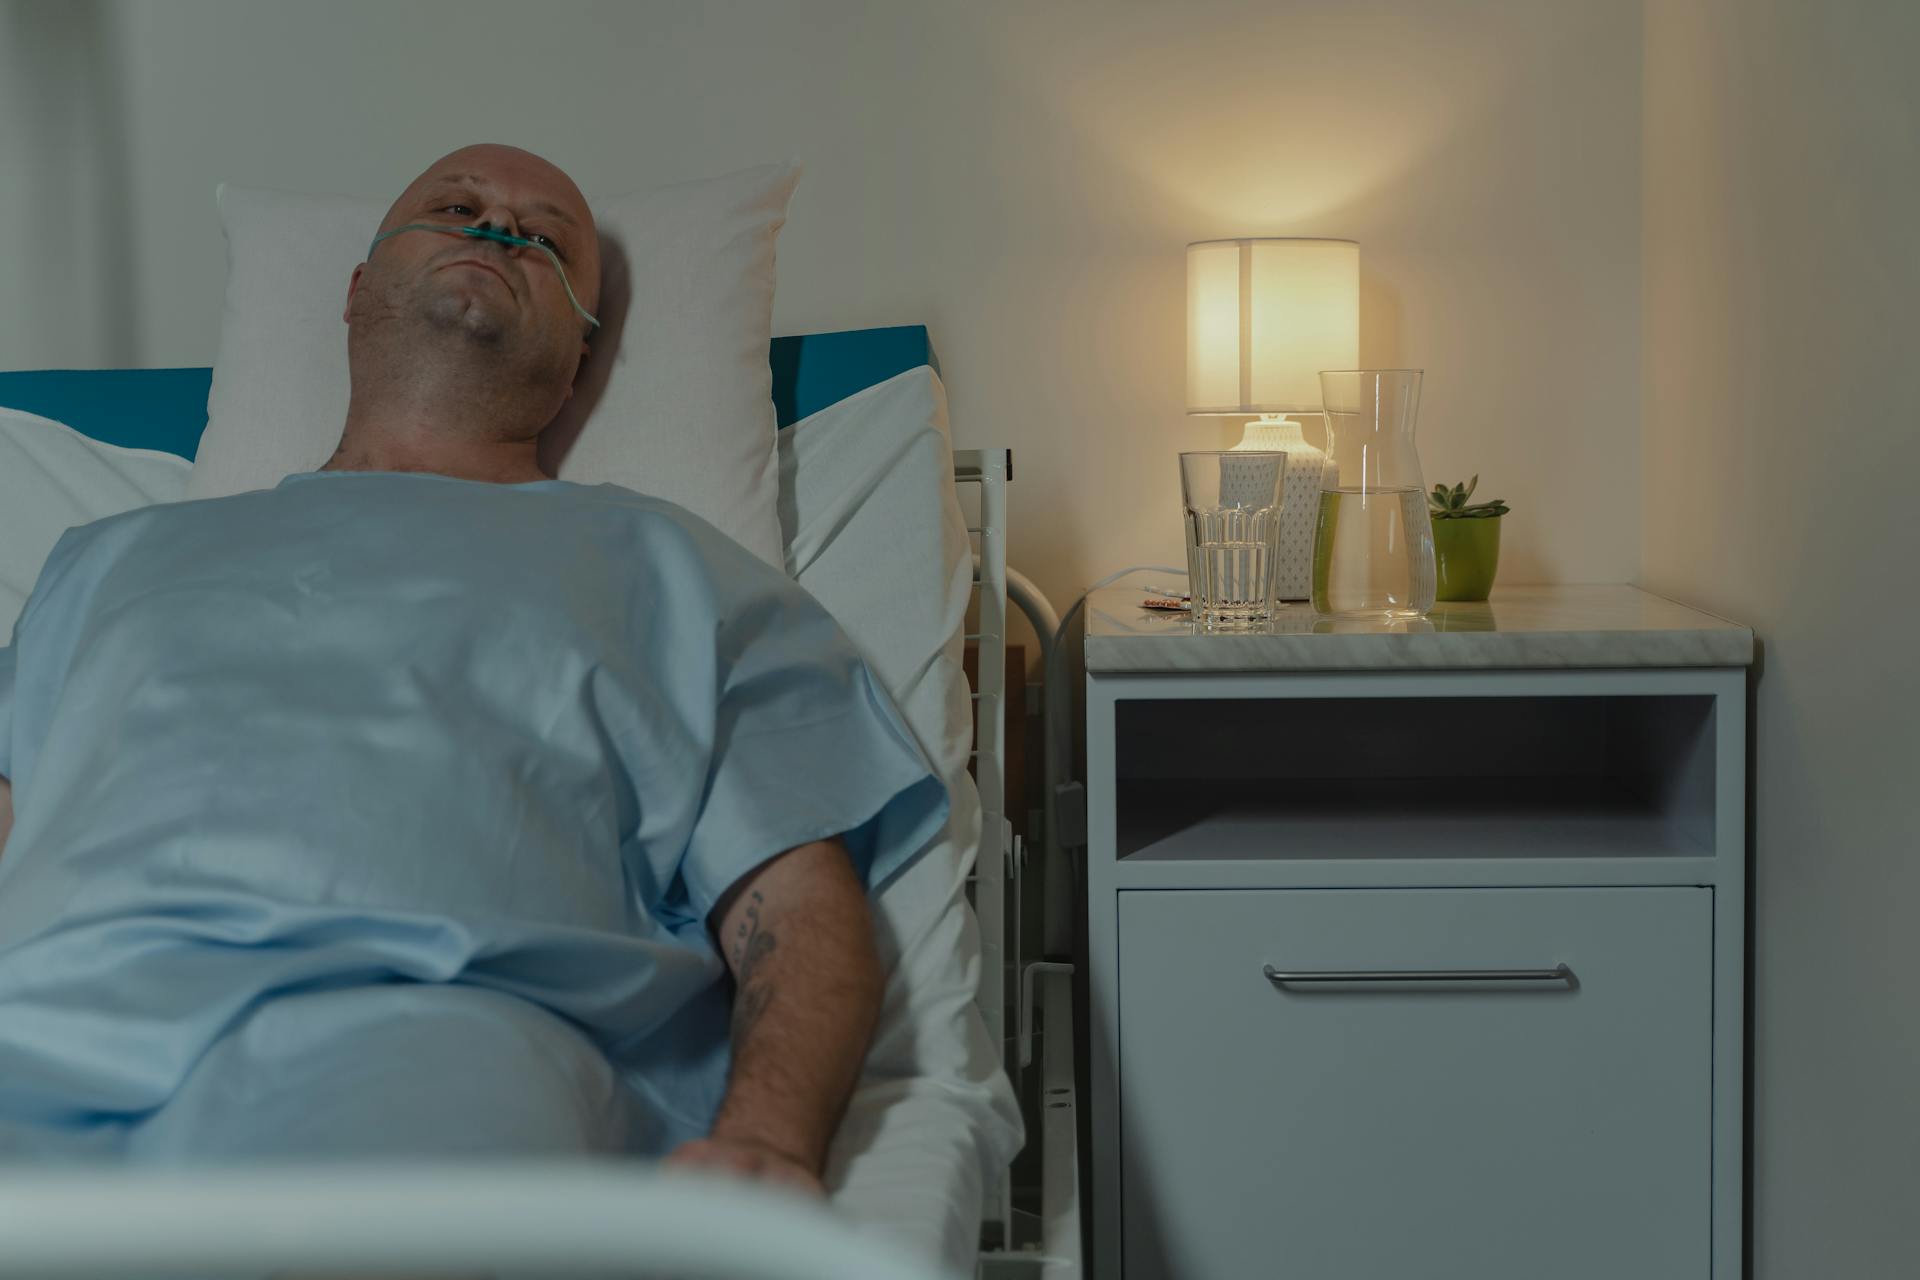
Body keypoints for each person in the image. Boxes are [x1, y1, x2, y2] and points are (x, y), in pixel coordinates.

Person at [0, 145, 946, 1198]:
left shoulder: (676, 571)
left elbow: (799, 904)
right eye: (458, 205)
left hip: (435, 1032)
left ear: (580, 355)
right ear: (358, 292)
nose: (500, 228)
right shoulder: (109, 559)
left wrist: (766, 1143)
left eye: (547, 240)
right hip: (51, 1031)